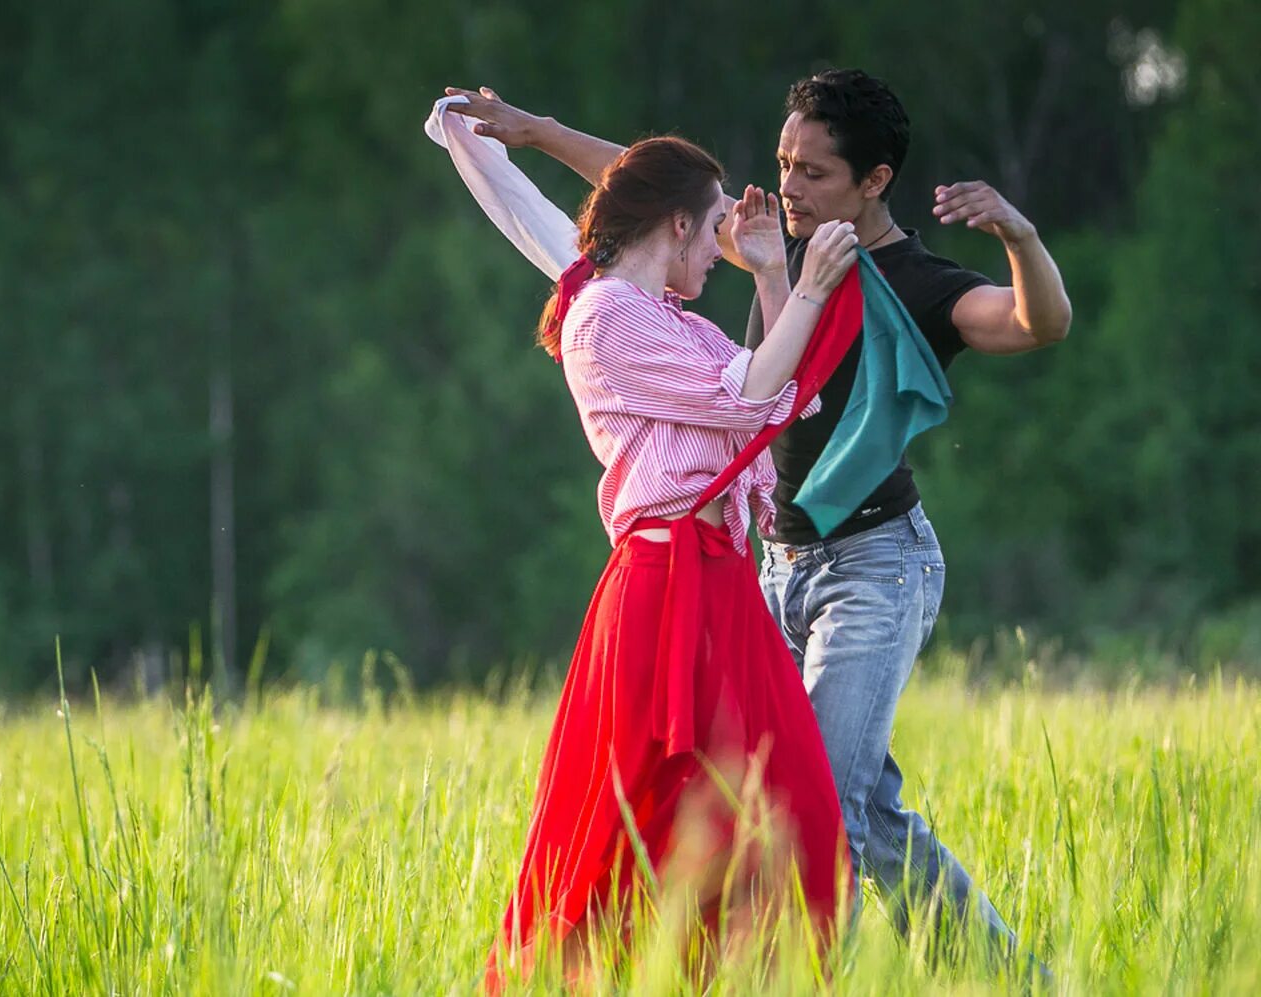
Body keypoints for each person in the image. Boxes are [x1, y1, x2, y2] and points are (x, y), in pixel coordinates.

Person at [445, 69, 1072, 976]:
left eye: (813, 173)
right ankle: (1011, 978)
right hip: (768, 566)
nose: (787, 189)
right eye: (783, 164)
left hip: (872, 564)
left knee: (825, 806)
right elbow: (658, 198)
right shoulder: (776, 247)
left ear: (875, 181)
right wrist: (532, 132)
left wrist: (1019, 233)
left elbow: (1032, 322)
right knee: (843, 804)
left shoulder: (920, 285)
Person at [474, 132, 859, 989]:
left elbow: (784, 388)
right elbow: (755, 391)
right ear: (679, 225)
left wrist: (772, 274)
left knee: (792, 810)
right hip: (663, 587)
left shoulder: (670, 320)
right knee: (634, 822)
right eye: (719, 228)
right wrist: (813, 283)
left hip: (722, 583)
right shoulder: (605, 317)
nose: (725, 245)